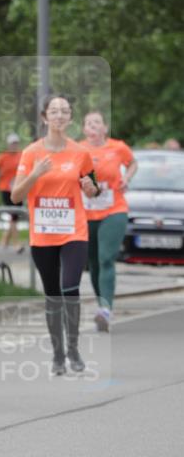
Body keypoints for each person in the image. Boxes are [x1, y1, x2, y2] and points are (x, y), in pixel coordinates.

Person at [11, 94, 100, 376]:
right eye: (54, 111)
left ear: (70, 118)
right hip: (43, 233)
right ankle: (58, 353)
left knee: (70, 288)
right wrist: (35, 173)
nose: (59, 116)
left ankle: (73, 348)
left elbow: (94, 186)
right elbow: (15, 196)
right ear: (44, 117)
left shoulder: (80, 152)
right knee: (52, 294)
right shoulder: (31, 153)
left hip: (74, 230)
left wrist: (90, 188)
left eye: (64, 111)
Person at [81, 111, 136, 332]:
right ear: (84, 130)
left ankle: (106, 309)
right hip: (86, 213)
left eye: (97, 123)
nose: (93, 127)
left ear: (105, 128)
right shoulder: (79, 150)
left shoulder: (118, 147)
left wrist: (127, 178)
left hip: (114, 210)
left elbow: (133, 163)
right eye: (88, 123)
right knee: (93, 263)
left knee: (106, 258)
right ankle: (101, 305)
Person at [0, 133, 23, 251]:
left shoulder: (21, 155)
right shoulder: (2, 156)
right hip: (6, 189)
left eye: (16, 143)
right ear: (8, 144)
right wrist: (0, 174)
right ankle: (17, 244)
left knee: (14, 216)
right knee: (13, 215)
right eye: (12, 144)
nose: (14, 146)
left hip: (18, 188)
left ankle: (4, 240)